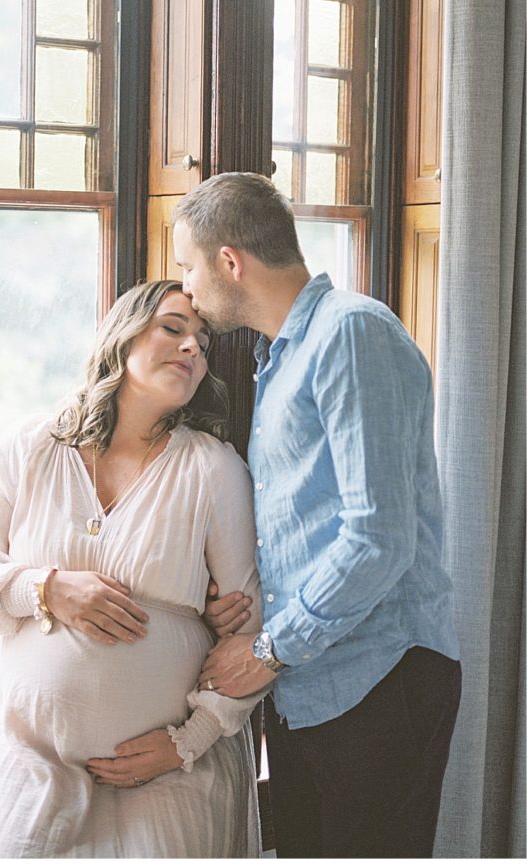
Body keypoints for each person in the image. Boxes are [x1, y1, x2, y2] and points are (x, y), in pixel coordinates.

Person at [172, 172, 462, 859]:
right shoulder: (280, 358)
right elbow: (305, 528)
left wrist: (269, 651)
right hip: (310, 686)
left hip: (378, 682)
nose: (185, 287)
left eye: (188, 267)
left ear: (229, 261)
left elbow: (376, 539)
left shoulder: (351, 334)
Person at [0, 279, 265, 858]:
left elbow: (249, 628)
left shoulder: (213, 470)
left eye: (204, 341)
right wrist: (44, 587)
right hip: (28, 757)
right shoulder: (31, 446)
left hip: (166, 772)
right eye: (173, 328)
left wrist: (190, 741)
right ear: (122, 335)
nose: (193, 348)